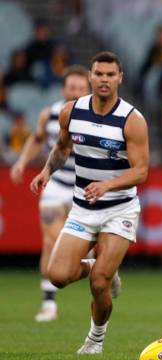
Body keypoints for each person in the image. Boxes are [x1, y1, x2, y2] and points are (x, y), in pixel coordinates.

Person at [30, 51, 149, 354]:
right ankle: (100, 266)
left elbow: (141, 171)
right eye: (99, 74)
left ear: (119, 78)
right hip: (83, 208)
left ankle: (95, 339)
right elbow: (61, 147)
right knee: (57, 277)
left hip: (119, 208)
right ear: (90, 78)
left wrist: (107, 184)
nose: (104, 80)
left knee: (99, 284)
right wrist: (46, 170)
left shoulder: (131, 120)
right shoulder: (71, 112)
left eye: (111, 75)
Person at [10, 65, 91, 322]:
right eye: (72, 87)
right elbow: (36, 138)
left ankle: (98, 270)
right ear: (63, 88)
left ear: (87, 90)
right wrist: (22, 162)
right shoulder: (51, 114)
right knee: (50, 242)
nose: (76, 92)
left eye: (81, 88)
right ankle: (48, 303)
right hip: (55, 184)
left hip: (86, 187)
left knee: (96, 249)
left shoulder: (97, 115)